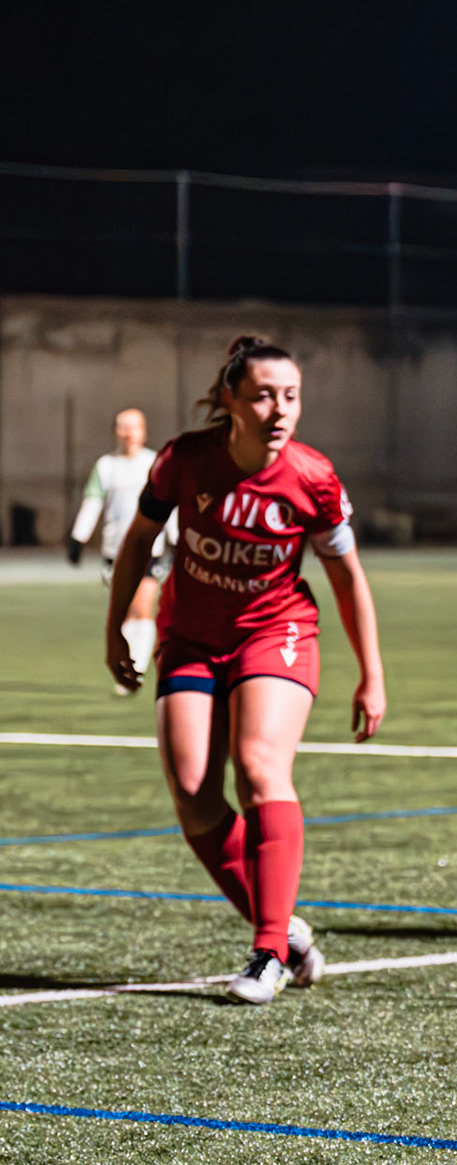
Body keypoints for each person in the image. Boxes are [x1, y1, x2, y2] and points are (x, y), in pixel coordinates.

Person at [105, 336, 387, 1005]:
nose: (279, 409)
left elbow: (348, 580)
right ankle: (284, 929)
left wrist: (371, 672)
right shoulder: (185, 461)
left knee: (261, 767)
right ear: (230, 399)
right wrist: (115, 625)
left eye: (290, 396)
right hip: (192, 637)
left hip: (277, 632)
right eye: (263, 394)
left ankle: (266, 954)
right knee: (193, 792)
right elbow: (140, 541)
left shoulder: (313, 477)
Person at [68, 408, 176, 694]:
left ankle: (135, 667)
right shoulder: (106, 466)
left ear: (143, 430)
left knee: (142, 607)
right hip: (115, 551)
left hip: (149, 550)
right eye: (123, 427)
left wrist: (176, 540)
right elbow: (93, 502)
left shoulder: (154, 463)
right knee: (125, 610)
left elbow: (169, 507)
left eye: (134, 427)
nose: (128, 433)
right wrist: (78, 538)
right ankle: (124, 664)